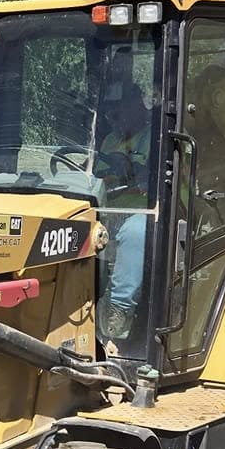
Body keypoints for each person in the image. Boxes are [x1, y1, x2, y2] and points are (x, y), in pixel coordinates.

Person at [93, 85, 152, 348]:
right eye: (111, 110)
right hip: (112, 211)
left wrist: (137, 171)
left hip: (152, 211)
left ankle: (118, 313)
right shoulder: (109, 141)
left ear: (137, 103)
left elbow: (160, 178)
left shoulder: (159, 134)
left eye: (120, 108)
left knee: (135, 233)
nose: (115, 116)